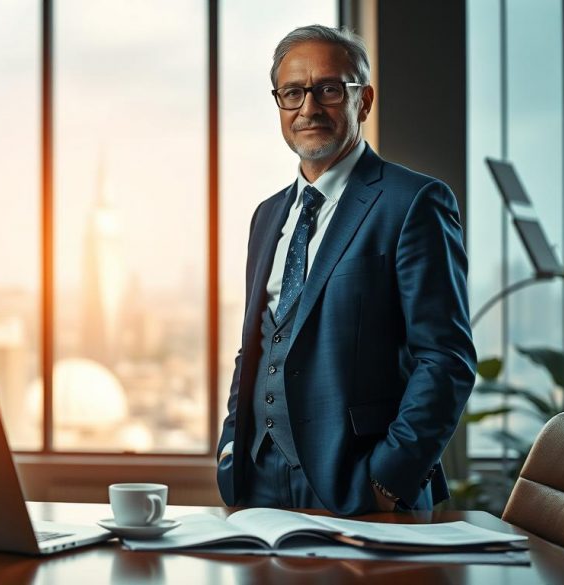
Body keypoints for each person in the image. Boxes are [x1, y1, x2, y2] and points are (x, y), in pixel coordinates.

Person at [216, 25, 476, 515]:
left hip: (362, 485)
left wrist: (388, 479)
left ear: (365, 100)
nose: (308, 108)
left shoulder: (414, 202)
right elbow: (256, 344)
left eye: (329, 89)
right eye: (292, 92)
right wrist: (232, 449)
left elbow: (446, 359)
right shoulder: (267, 215)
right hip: (258, 483)